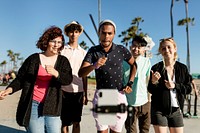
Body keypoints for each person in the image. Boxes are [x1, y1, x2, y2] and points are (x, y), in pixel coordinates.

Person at [0, 26, 73, 133]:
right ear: (47, 41)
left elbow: (68, 79)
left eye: (59, 42)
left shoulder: (63, 61)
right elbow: (21, 79)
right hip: (33, 105)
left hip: (53, 106)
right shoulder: (33, 59)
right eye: (53, 41)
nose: (56, 45)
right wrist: (8, 90)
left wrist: (56, 73)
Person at [78, 19, 137, 133]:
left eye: (109, 33)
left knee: (116, 131)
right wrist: (94, 65)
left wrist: (130, 82)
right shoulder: (93, 51)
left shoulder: (121, 50)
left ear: (114, 34)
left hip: (119, 94)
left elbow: (134, 65)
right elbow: (81, 73)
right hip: (103, 95)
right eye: (103, 33)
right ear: (99, 33)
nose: (106, 36)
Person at [148, 37, 192, 133]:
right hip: (159, 110)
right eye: (163, 48)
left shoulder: (182, 68)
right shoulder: (156, 68)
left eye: (169, 47)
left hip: (176, 110)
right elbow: (150, 89)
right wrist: (153, 81)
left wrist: (175, 86)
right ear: (160, 51)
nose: (166, 50)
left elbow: (188, 88)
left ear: (175, 48)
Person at [60, 21, 88, 133]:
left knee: (77, 121)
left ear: (79, 33)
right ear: (67, 33)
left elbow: (85, 75)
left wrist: (85, 93)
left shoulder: (84, 53)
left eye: (76, 32)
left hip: (79, 91)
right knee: (64, 122)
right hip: (63, 90)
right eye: (71, 32)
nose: (73, 34)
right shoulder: (61, 50)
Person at [123, 35, 151, 133]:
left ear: (143, 49)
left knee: (145, 130)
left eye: (139, 47)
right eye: (134, 46)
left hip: (145, 102)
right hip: (129, 103)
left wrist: (149, 99)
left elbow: (148, 81)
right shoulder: (123, 62)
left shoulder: (147, 61)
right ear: (130, 46)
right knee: (131, 130)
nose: (136, 49)